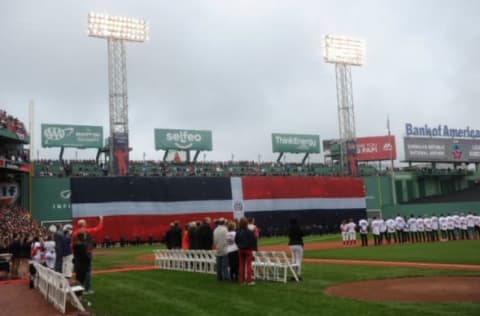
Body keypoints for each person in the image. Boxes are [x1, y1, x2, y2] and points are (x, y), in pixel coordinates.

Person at [72, 216, 103, 294]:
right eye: (85, 223)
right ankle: (87, 288)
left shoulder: (75, 233)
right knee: (88, 270)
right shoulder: (87, 231)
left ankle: (79, 288)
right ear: (83, 224)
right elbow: (99, 228)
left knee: (79, 271)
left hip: (78, 254)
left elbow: (72, 244)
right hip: (87, 253)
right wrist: (101, 220)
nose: (86, 224)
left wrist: (74, 254)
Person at [235, 217, 256, 285]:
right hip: (248, 250)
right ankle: (249, 281)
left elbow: (236, 240)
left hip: (240, 250)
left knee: (241, 265)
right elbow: (253, 240)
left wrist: (239, 245)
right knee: (249, 265)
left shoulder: (238, 232)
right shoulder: (249, 232)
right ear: (246, 223)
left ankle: (242, 281)